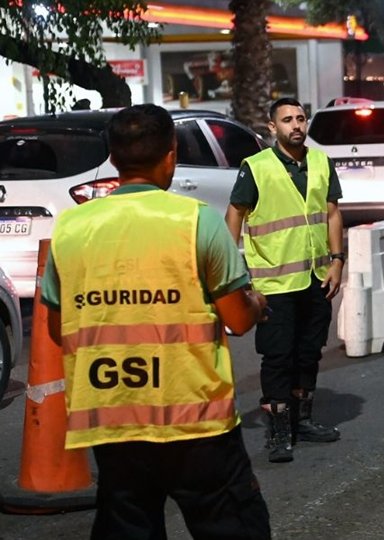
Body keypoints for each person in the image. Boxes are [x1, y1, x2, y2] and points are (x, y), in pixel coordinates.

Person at [42, 104, 271, 539]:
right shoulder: (196, 220)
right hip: (195, 420)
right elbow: (238, 320)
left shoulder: (70, 228)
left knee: (130, 527)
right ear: (171, 154)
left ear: (112, 158)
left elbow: (58, 329)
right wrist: (257, 303)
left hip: (111, 418)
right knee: (232, 523)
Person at [226, 97, 344, 463]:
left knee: (309, 351)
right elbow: (235, 215)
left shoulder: (321, 162)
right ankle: (279, 432)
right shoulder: (256, 167)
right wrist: (234, 271)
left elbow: (333, 213)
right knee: (278, 357)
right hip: (274, 284)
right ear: (272, 127)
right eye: (287, 120)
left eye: (301, 118)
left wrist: (337, 260)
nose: (296, 125)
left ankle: (301, 420)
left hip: (315, 277)